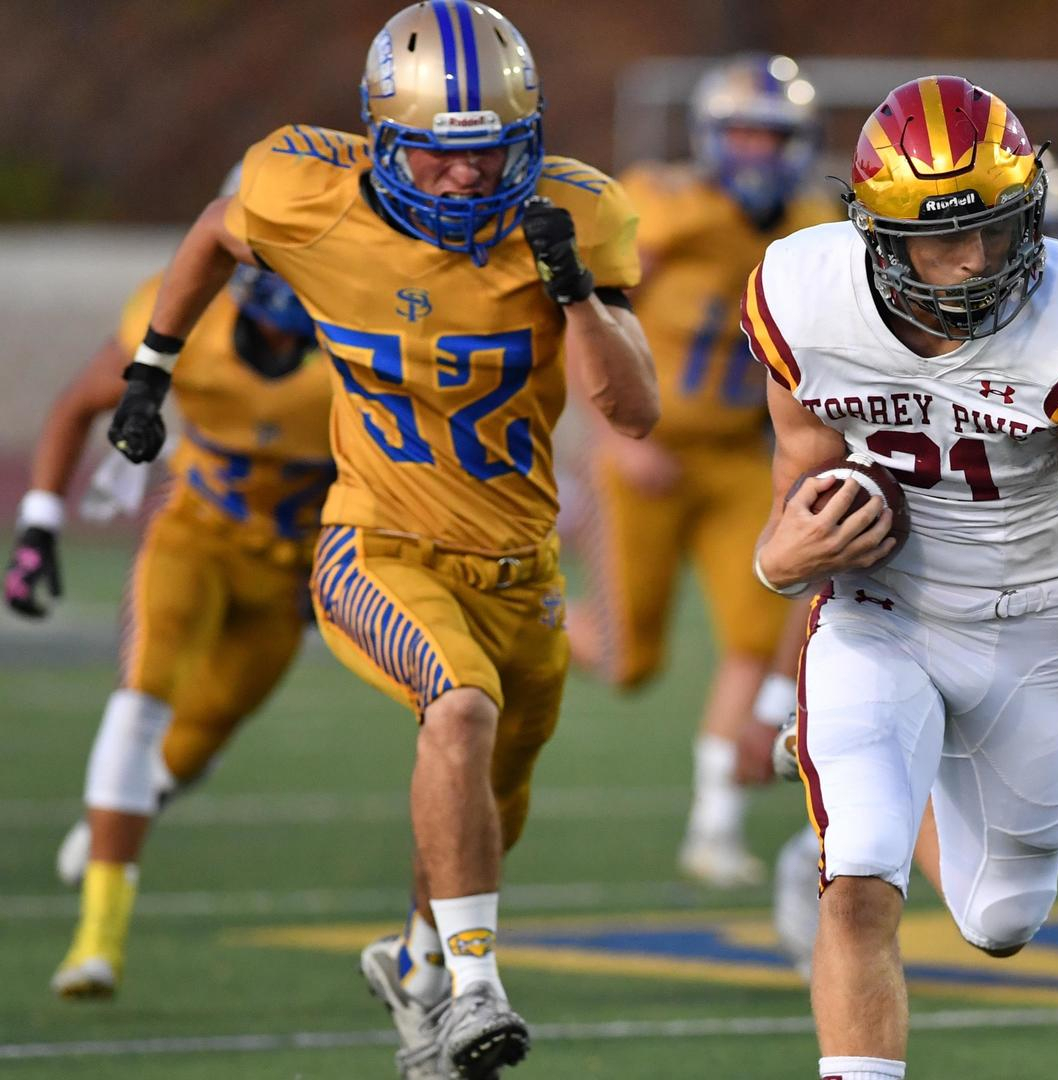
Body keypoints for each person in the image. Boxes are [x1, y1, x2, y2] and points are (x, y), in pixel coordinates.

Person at [99, 4, 657, 1076]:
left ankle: (414, 958)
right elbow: (220, 226)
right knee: (458, 707)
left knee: (491, 794)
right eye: (437, 158)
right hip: (376, 543)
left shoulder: (574, 216)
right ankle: (475, 987)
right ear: (383, 142)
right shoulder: (308, 193)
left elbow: (631, 413)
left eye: (489, 151)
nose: (463, 179)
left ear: (527, 138)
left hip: (522, 564)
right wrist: (153, 364)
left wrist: (577, 293)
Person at [745, 76, 1058, 1080]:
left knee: (1000, 922)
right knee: (858, 879)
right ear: (878, 236)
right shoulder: (802, 298)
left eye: (994, 233)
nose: (971, 263)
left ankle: (876, 776)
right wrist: (775, 563)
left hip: (1033, 624)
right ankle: (849, 788)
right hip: (882, 613)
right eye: (937, 240)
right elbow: (798, 502)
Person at [6, 264, 329, 999]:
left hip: (288, 575)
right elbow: (77, 405)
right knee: (141, 699)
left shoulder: (359, 350)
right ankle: (97, 942)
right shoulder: (189, 318)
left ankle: (122, 810)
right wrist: (39, 528)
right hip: (195, 537)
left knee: (193, 745)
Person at [568, 54, 835, 888]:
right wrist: (615, 438)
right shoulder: (659, 205)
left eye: (773, 134)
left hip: (736, 461)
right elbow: (583, 314)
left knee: (758, 640)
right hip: (647, 457)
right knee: (626, 661)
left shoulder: (818, 222)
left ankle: (713, 828)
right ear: (711, 139)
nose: (757, 150)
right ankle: (533, 610)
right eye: (743, 132)